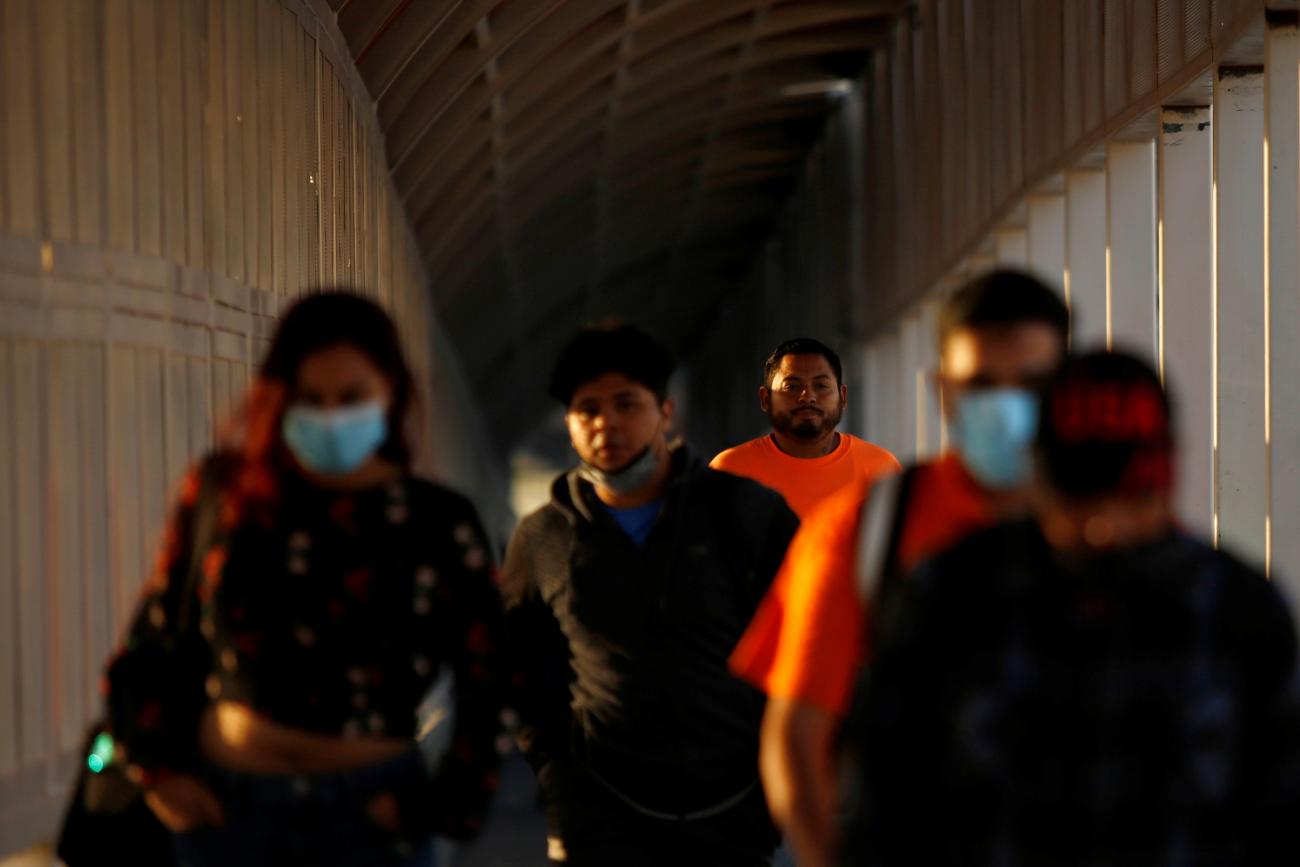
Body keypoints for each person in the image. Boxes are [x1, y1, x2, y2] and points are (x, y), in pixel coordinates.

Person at [839, 350, 1300, 865]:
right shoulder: (952, 595)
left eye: (1130, 498)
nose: (1104, 528)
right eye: (1079, 499)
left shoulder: (1241, 615)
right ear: (1037, 474)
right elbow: (881, 807)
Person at [102, 291, 505, 866]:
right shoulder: (228, 497)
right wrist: (157, 773)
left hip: (372, 819)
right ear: (279, 399)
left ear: (391, 392)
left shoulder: (436, 521)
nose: (331, 416)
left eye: (351, 397)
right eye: (311, 399)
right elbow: (157, 637)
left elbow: (488, 674)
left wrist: (435, 805)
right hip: (228, 811)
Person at [729, 270, 1070, 867]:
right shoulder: (869, 529)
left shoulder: (1109, 518)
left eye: (1034, 385)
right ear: (941, 390)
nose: (1008, 408)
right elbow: (797, 737)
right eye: (981, 385)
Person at [500, 323, 800, 866]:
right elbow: (525, 679)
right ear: (568, 424)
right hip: (603, 814)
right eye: (586, 408)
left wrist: (782, 780)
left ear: (665, 412)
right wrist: (560, 794)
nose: (606, 423)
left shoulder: (743, 513)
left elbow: (805, 644)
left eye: (626, 403)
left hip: (736, 812)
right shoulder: (545, 539)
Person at [710, 338, 899, 519]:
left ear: (843, 396)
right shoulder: (731, 470)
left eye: (821, 385)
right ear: (765, 399)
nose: (807, 396)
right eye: (791, 387)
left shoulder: (880, 469)